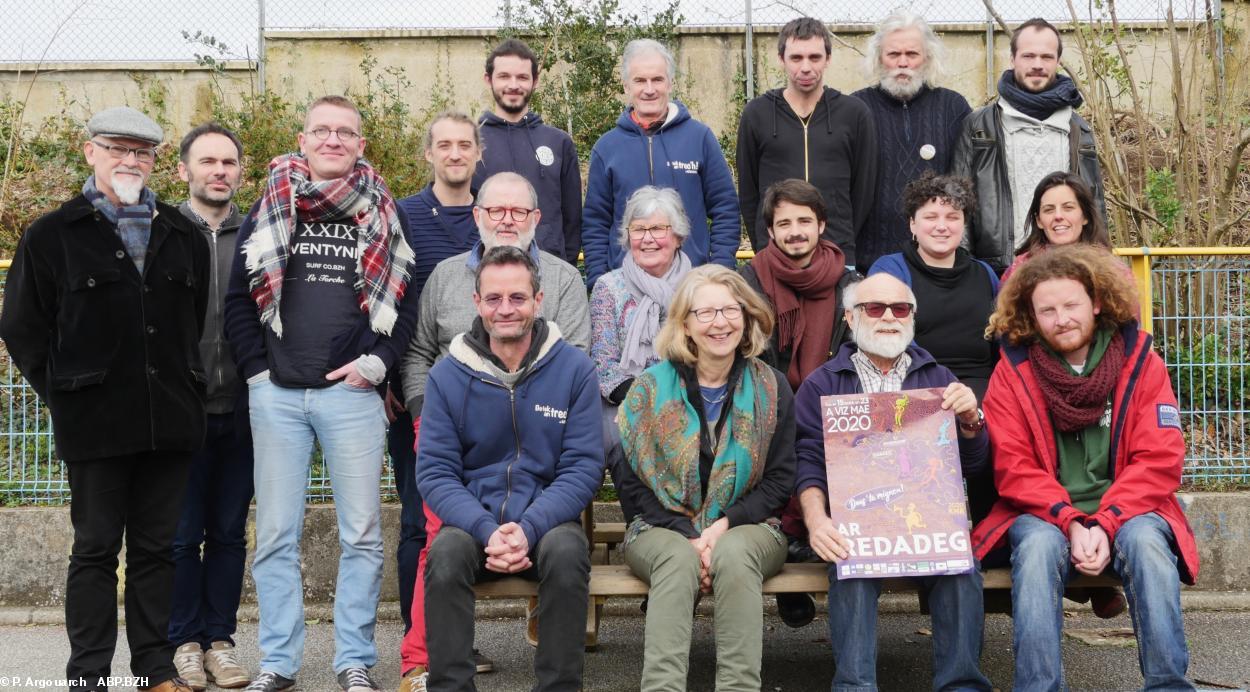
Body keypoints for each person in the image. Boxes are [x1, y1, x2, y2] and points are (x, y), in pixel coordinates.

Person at [0, 106, 210, 692]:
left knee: (157, 550)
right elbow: (22, 327)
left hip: (168, 421)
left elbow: (191, 321)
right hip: (93, 425)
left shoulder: (182, 234)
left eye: (141, 152)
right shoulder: (51, 235)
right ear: (90, 151)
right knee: (94, 550)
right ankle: (87, 675)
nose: (129, 160)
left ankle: (154, 670)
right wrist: (66, 395)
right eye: (117, 148)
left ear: (155, 162)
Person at [223, 95, 418, 692]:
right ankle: (278, 663)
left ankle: (353, 660)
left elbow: (404, 302)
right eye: (322, 130)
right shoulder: (272, 203)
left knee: (361, 535)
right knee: (276, 535)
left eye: (345, 132)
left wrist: (377, 365)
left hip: (352, 396)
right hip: (277, 396)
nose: (333, 140)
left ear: (361, 145)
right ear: (303, 140)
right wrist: (258, 373)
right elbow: (239, 298)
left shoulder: (382, 209)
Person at [972, 244, 1200, 690]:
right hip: (1044, 512)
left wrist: (1108, 519)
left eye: (1071, 305)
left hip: (1131, 509)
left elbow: (1160, 457)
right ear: (1031, 315)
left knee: (1148, 546)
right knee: (1036, 550)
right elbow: (1013, 466)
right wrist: (1071, 521)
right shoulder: (1012, 373)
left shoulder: (1141, 363)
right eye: (1048, 310)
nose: (1062, 319)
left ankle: (1168, 686)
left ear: (1096, 302)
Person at [397, 171, 591, 691]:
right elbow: (435, 473)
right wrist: (488, 530)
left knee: (569, 553)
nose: (507, 309)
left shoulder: (573, 370)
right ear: (478, 303)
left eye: (518, 298)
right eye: (495, 299)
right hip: (473, 520)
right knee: (443, 554)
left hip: (546, 519)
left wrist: (528, 528)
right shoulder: (447, 375)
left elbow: (582, 468)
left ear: (538, 300)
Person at [793, 273, 992, 692]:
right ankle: (855, 687)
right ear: (850, 317)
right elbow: (807, 462)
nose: (889, 317)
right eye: (874, 308)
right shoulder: (822, 385)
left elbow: (971, 467)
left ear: (912, 317)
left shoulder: (940, 379)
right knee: (851, 564)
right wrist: (817, 521)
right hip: (859, 523)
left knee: (961, 567)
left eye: (900, 309)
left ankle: (961, 686)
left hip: (927, 522)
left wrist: (971, 421)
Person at [616, 265, 795, 691]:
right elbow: (630, 480)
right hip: (659, 526)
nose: (720, 323)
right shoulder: (647, 389)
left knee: (734, 553)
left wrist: (723, 526)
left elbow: (781, 479)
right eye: (706, 312)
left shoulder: (772, 387)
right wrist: (690, 536)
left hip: (751, 526)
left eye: (731, 310)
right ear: (685, 324)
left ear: (746, 317)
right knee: (677, 559)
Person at [392, 111, 483, 690]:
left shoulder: (493, 217)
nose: (454, 153)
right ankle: (421, 645)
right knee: (417, 522)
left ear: (478, 153)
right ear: (428, 153)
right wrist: (404, 389)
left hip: (489, 405)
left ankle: (457, 643)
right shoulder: (402, 215)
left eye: (464, 144)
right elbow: (390, 302)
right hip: (421, 395)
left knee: (465, 524)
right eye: (443, 144)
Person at [738, 178, 852, 628]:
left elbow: (856, 351)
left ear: (821, 225)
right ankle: (787, 558)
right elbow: (744, 351)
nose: (795, 231)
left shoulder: (849, 282)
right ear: (770, 231)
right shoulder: (749, 280)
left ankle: (811, 542)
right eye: (784, 223)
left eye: (805, 221)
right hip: (768, 398)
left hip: (831, 399)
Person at [169, 122, 252, 691]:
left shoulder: (259, 234)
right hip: (181, 412)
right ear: (184, 170)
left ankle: (220, 641)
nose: (219, 171)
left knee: (227, 533)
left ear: (240, 172)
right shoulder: (164, 232)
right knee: (180, 536)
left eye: (228, 162)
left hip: (244, 409)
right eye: (207, 161)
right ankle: (184, 643)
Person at [951, 18, 1107, 273]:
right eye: (1028, 56)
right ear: (1012, 59)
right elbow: (958, 201)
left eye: (1046, 57)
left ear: (1058, 61)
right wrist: (963, 267)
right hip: (995, 270)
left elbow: (1094, 203)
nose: (1037, 64)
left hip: (1068, 269)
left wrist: (1101, 263)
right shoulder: (979, 126)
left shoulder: (1079, 129)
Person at [582, 38, 740, 286]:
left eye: (657, 79)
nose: (649, 89)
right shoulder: (607, 148)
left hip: (691, 284)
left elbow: (725, 208)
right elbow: (595, 222)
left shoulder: (700, 138)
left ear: (670, 83)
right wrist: (599, 281)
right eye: (640, 80)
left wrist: (719, 271)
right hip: (626, 286)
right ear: (626, 86)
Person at [737, 17, 877, 266]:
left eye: (814, 57)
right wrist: (763, 243)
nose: (805, 67)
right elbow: (748, 191)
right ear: (781, 59)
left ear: (828, 59)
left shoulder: (854, 114)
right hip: (775, 255)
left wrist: (841, 237)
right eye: (796, 58)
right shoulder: (756, 114)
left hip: (837, 255)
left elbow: (863, 190)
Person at [590, 185, 694, 520]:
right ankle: (643, 528)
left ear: (677, 236)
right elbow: (602, 364)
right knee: (628, 445)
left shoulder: (698, 287)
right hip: (623, 401)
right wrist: (642, 400)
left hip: (688, 397)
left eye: (658, 229)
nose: (647, 239)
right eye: (638, 230)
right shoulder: (608, 287)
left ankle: (691, 526)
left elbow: (706, 357)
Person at [851, 10, 971, 271]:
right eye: (893, 54)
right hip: (869, 259)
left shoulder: (953, 107)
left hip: (938, 259)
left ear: (927, 58)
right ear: (879, 58)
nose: (902, 62)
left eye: (912, 54)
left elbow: (967, 185)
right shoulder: (855, 108)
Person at [868, 172, 998, 401]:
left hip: (984, 392)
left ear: (963, 223)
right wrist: (946, 393)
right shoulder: (890, 270)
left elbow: (1005, 338)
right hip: (916, 389)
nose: (942, 226)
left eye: (952, 217)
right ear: (913, 223)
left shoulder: (985, 274)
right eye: (931, 217)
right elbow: (888, 339)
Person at [474, 38, 583, 263]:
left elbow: (573, 219)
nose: (513, 85)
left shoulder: (559, 142)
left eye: (522, 77)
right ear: (488, 79)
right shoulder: (471, 142)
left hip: (547, 269)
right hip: (485, 272)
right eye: (504, 76)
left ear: (535, 81)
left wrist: (564, 266)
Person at [1001, 171, 1112, 281]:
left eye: (1068, 208)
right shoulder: (1018, 272)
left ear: (1085, 216)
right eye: (1049, 210)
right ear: (1039, 220)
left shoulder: (1110, 269)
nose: (1058, 216)